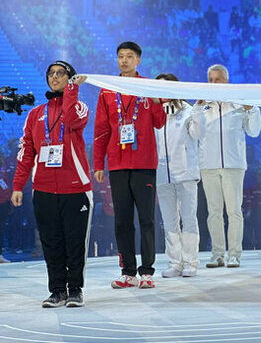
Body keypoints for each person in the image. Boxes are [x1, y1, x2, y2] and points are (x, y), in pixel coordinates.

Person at [11, 61, 92, 308]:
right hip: (43, 188)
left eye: (61, 74)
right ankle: (57, 290)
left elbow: (71, 120)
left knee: (74, 241)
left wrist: (71, 91)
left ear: (70, 79)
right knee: (51, 241)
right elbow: (26, 152)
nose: (55, 77)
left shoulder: (79, 107)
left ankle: (75, 289)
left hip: (76, 187)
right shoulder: (35, 115)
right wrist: (18, 185)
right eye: (51, 74)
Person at [93, 42, 166, 289]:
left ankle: (147, 272)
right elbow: (101, 130)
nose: (124, 61)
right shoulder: (107, 90)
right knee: (122, 220)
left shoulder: (148, 87)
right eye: (121, 57)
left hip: (144, 162)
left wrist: (156, 100)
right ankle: (128, 272)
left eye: (129, 57)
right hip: (116, 164)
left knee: (146, 218)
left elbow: (159, 123)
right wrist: (98, 163)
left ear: (138, 61)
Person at [198, 64, 261, 268]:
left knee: (234, 211)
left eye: (218, 79)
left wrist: (252, 110)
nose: (214, 83)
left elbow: (254, 131)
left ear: (226, 80)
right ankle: (217, 254)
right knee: (213, 212)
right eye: (211, 79)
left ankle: (234, 254)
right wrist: (197, 109)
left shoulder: (240, 103)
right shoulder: (202, 105)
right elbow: (195, 133)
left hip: (233, 165)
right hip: (208, 165)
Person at [154, 73, 204, 278]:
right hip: (161, 174)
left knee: (189, 219)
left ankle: (191, 261)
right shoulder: (152, 113)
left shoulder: (188, 110)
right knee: (169, 221)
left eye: (165, 88)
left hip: (185, 173)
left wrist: (199, 111)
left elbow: (198, 134)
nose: (162, 94)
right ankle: (175, 262)